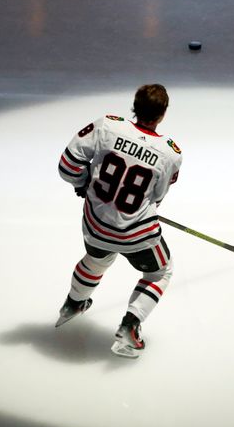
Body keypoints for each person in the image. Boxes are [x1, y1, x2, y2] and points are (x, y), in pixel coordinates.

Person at [55, 84, 182, 359]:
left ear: (134, 106)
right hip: (135, 233)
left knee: (99, 258)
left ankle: (73, 303)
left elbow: (68, 166)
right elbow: (156, 200)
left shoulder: (107, 126)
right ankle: (130, 327)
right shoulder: (171, 153)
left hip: (96, 224)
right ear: (162, 115)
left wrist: (83, 183)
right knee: (161, 271)